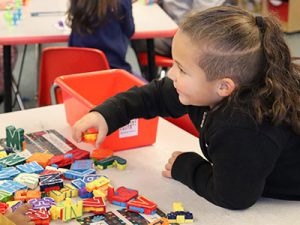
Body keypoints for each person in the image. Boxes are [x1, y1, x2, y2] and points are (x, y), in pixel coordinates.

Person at [72, 6, 300, 210]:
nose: (171, 74)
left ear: (224, 86)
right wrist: (105, 115)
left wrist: (186, 166)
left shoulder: (244, 125)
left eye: (181, 69)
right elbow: (155, 95)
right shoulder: (206, 89)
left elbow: (234, 197)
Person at [66, 0, 135, 73]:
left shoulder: (79, 2)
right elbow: (129, 31)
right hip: (113, 71)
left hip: (79, 73)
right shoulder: (121, 2)